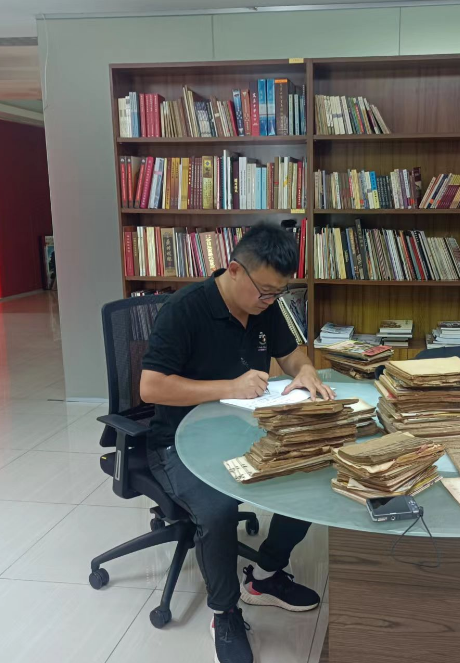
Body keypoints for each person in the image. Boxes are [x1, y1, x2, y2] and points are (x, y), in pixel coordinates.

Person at [140, 225, 334, 663]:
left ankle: (265, 574)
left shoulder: (266, 305)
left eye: (279, 293)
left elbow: (292, 353)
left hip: (244, 430)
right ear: (233, 270)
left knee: (309, 475)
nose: (270, 300)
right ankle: (224, 612)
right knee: (218, 508)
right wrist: (229, 387)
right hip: (177, 440)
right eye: (265, 291)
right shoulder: (184, 310)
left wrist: (305, 370)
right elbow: (151, 386)